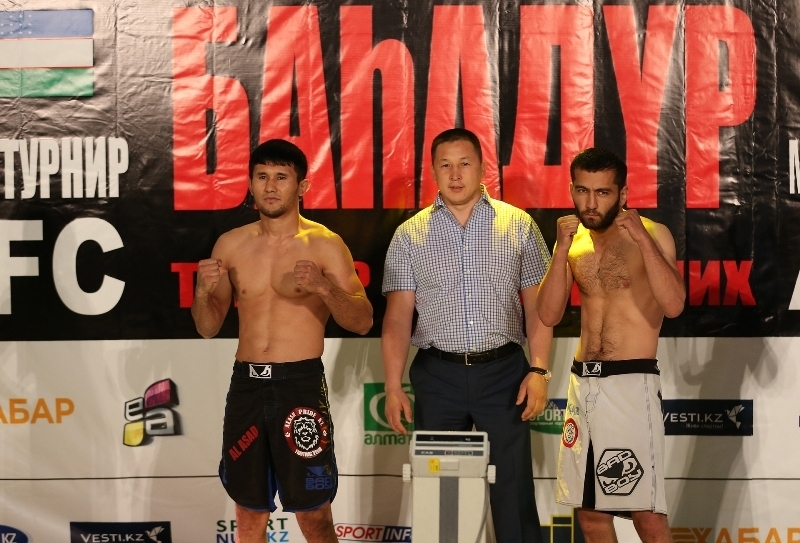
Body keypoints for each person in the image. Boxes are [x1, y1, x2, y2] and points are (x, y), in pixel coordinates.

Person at [191, 139, 373, 543]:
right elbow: (207, 326)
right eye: (262, 177)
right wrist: (202, 293)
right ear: (250, 184)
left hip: (299, 385)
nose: (270, 186)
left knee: (314, 514)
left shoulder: (325, 244)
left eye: (281, 177)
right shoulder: (231, 245)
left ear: (301, 186)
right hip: (247, 385)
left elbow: (363, 321)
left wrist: (324, 288)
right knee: (248, 512)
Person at [381, 128, 553, 543]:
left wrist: (539, 370)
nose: (455, 174)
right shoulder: (409, 235)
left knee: (513, 488)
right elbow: (398, 319)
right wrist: (392, 385)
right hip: (438, 376)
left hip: (505, 374)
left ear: (482, 167)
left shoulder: (518, 225)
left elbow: (540, 310)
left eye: (464, 164)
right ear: (432, 171)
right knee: (441, 494)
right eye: (445, 165)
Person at [536, 148, 686, 543]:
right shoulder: (573, 241)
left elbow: (674, 304)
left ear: (623, 194)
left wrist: (641, 238)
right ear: (572, 189)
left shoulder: (653, 234)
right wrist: (561, 250)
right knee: (589, 515)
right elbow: (548, 315)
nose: (590, 203)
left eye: (602, 192)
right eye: (582, 191)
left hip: (630, 384)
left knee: (645, 514)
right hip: (582, 383)